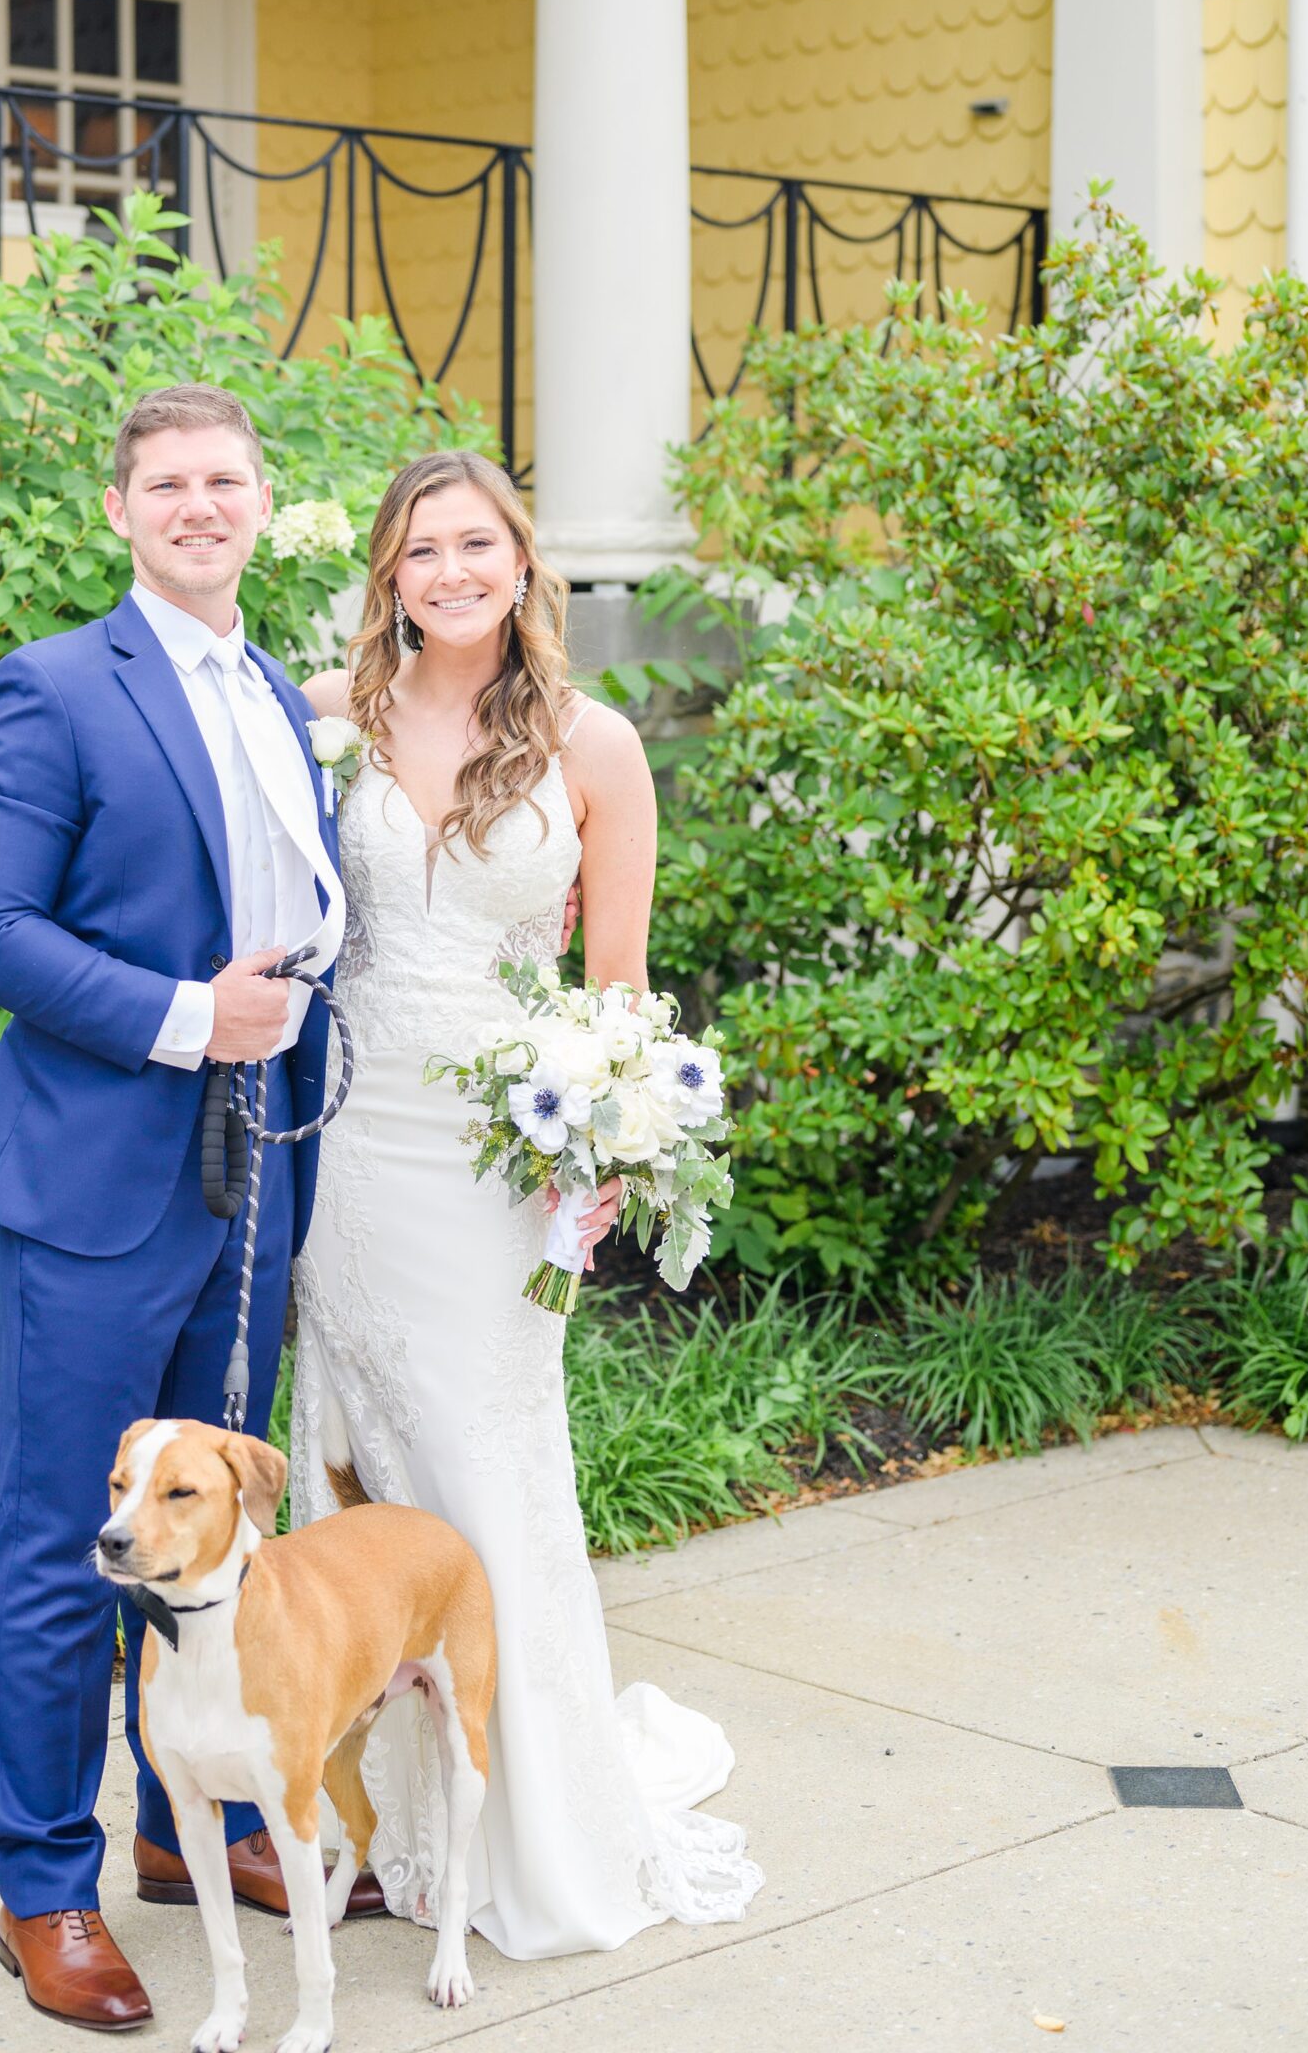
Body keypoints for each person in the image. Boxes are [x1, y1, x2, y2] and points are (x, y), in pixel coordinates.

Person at [0, 382, 377, 2036]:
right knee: (76, 1544)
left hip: (258, 1170)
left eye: (227, 480)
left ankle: (204, 1831)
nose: (200, 503)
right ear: (118, 511)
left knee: (212, 1526)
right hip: (106, 1181)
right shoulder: (53, 689)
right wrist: (192, 1016)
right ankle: (45, 1885)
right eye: (168, 482)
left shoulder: (274, 687)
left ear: (264, 505)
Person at [292, 447, 764, 1958]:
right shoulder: (327, 721)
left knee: (491, 1470)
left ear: (521, 561)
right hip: (351, 1142)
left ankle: (533, 1827)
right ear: (389, 572)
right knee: (359, 1468)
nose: (449, 572)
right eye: (421, 550)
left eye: (475, 545)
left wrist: (614, 1146)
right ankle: (370, 1821)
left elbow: (615, 988)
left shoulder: (593, 742)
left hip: (500, 1160)